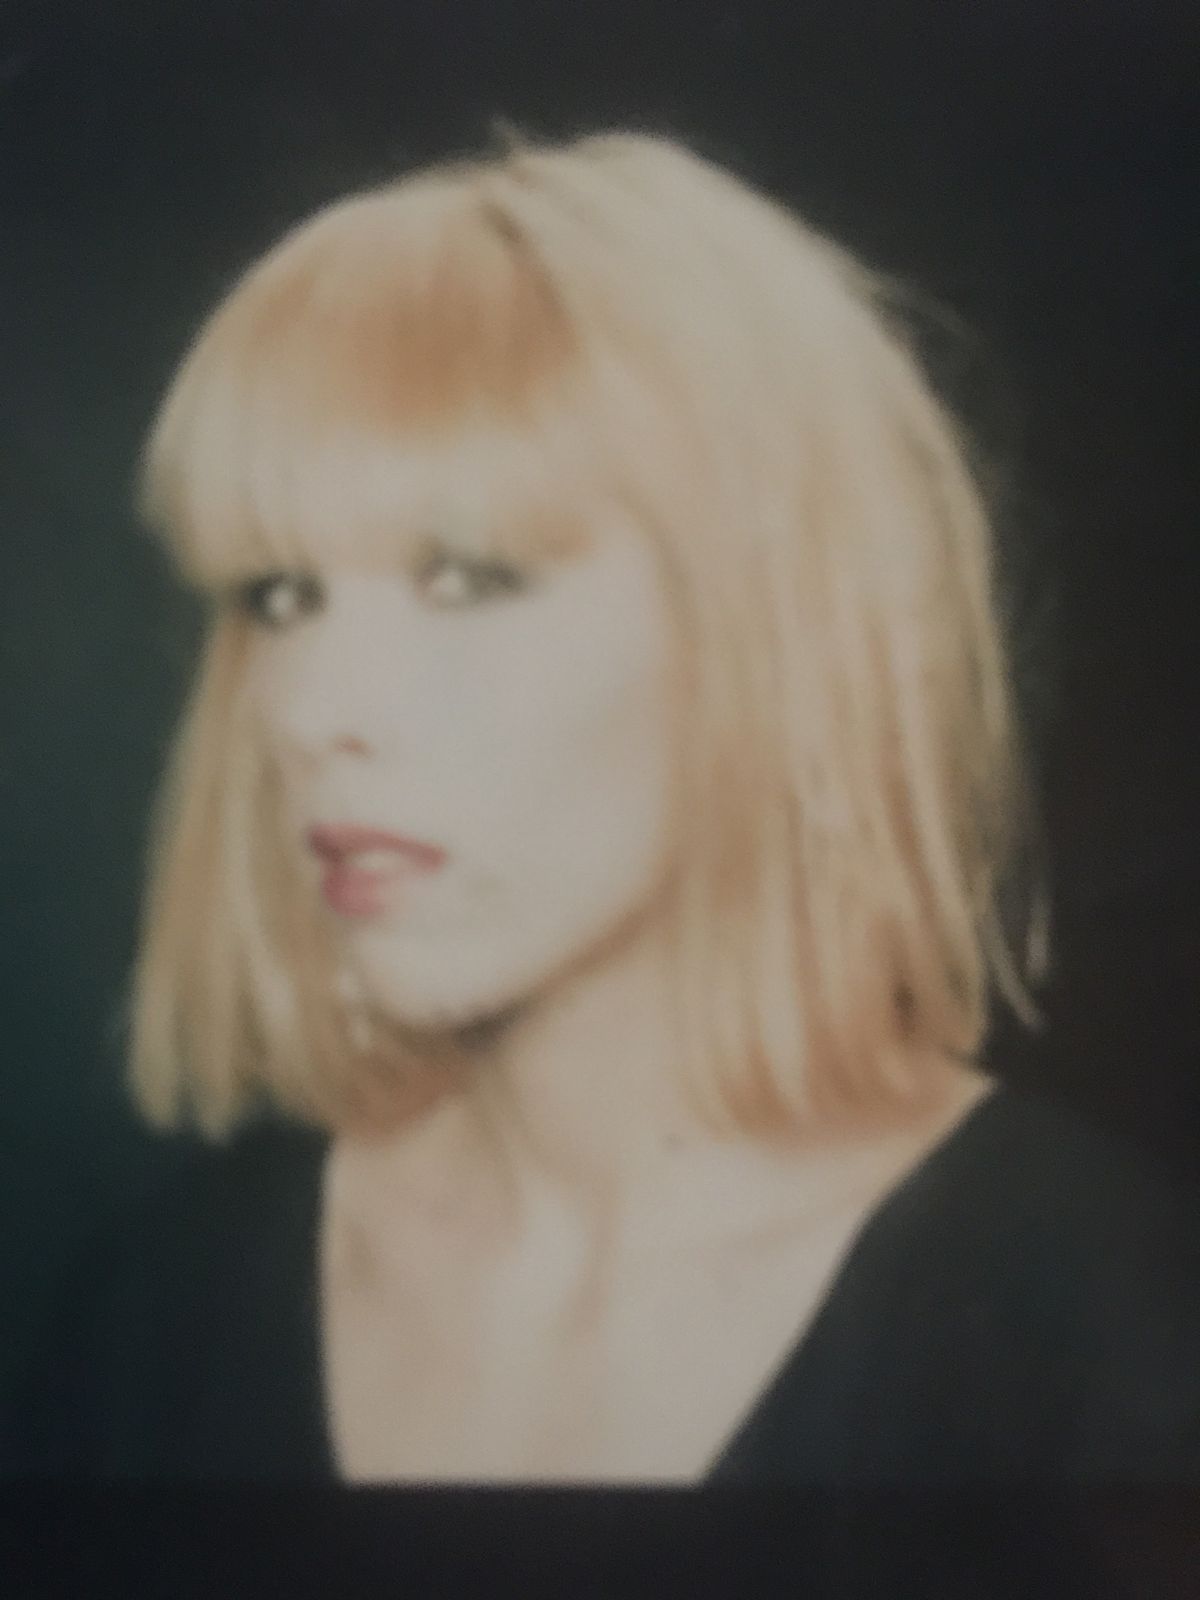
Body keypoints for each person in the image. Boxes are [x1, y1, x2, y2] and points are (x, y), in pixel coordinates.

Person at [7, 127, 1199, 1485]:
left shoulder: (1095, 1334)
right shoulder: (163, 1319)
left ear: (763, 627)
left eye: (468, 578)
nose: (314, 708)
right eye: (281, 595)